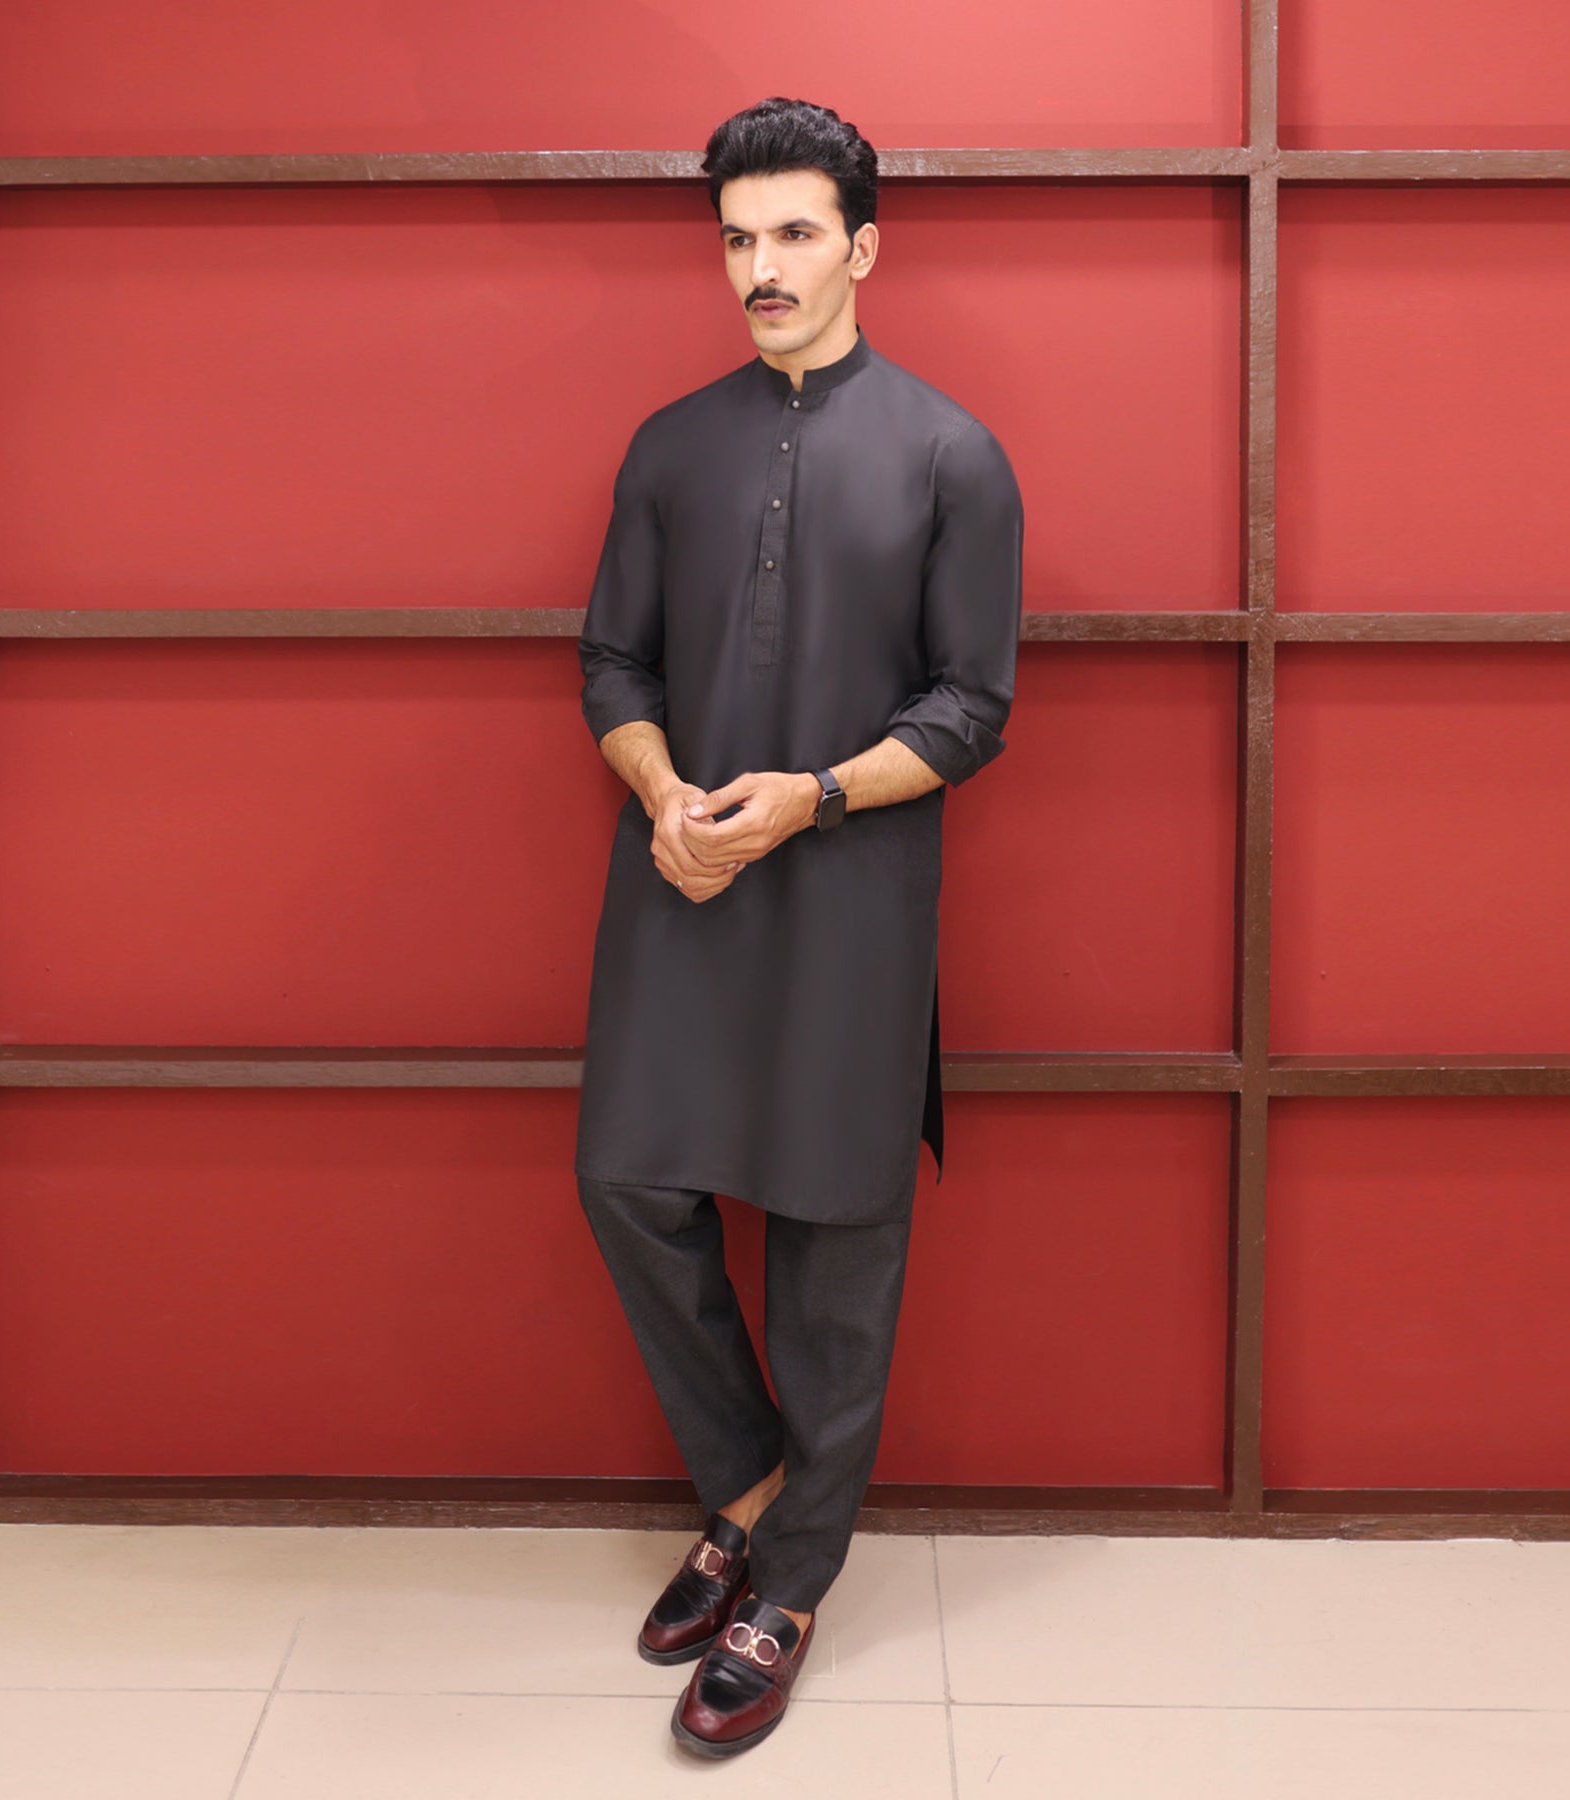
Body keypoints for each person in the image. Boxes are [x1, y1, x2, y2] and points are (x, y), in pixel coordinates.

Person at [572, 94, 1023, 1759]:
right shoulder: (668, 445)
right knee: (627, 1178)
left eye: (794, 235)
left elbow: (971, 707)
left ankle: (792, 1578)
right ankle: (757, 1484)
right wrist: (662, 791)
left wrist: (813, 797)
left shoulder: (952, 455)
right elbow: (612, 660)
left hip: (850, 887)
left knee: (836, 1229)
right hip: (682, 869)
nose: (762, 267)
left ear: (863, 249)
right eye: (740, 239)